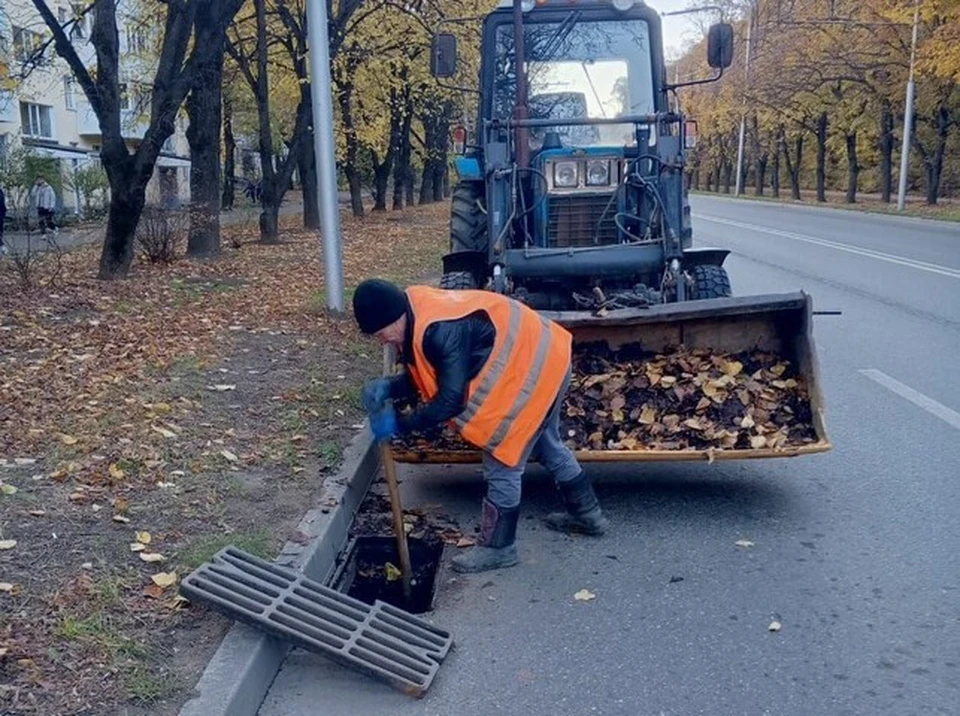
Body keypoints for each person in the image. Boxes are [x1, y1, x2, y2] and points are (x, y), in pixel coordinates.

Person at [353, 278, 609, 574]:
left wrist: (401, 424)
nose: (382, 341)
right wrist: (390, 388)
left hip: (532, 369)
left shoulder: (438, 330)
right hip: (546, 356)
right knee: (546, 442)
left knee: (503, 459)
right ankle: (587, 514)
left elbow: (450, 400)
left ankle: (499, 549)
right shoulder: (416, 314)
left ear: (393, 317)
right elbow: (434, 370)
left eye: (381, 333)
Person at [0, 184, 7, 255]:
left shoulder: (1, 191)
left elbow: (3, 203)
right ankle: (2, 246)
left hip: (1, 214)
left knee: (1, 231)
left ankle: (2, 246)